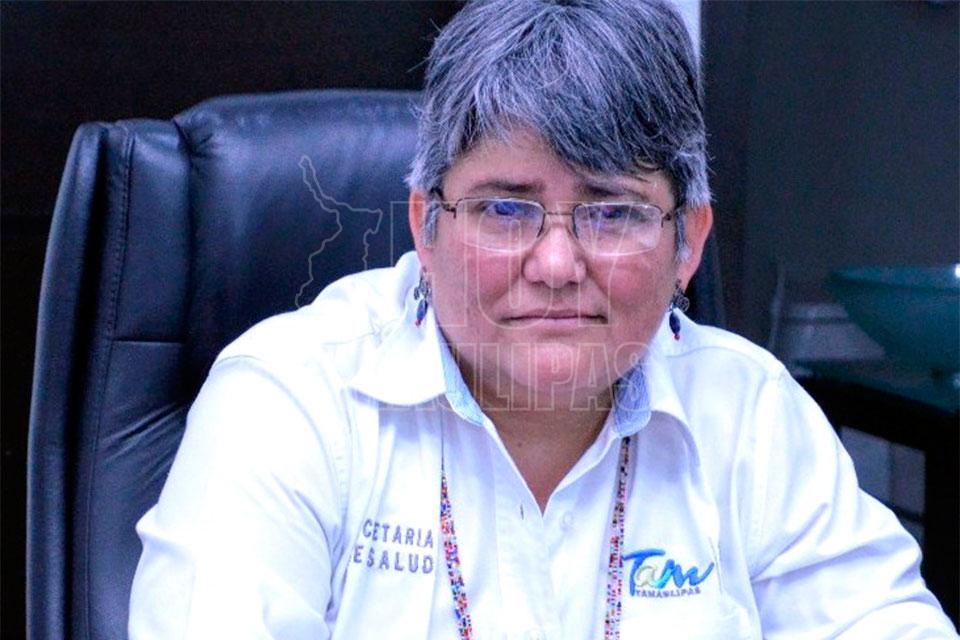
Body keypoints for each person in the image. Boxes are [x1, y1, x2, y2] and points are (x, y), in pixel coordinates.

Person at [129, 0, 958, 637]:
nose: (557, 264)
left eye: (613, 212)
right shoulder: (287, 403)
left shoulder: (750, 418)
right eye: (505, 209)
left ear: (689, 243)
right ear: (425, 227)